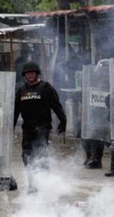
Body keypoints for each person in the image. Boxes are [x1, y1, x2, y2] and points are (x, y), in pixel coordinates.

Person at [14, 61, 67, 190]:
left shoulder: (46, 88)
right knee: (27, 155)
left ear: (37, 74)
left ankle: (43, 182)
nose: (30, 75)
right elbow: (15, 110)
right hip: (27, 128)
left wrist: (63, 121)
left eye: (32, 73)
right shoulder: (21, 90)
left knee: (40, 154)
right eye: (28, 73)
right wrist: (11, 126)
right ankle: (32, 183)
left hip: (43, 127)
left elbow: (56, 105)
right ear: (24, 75)